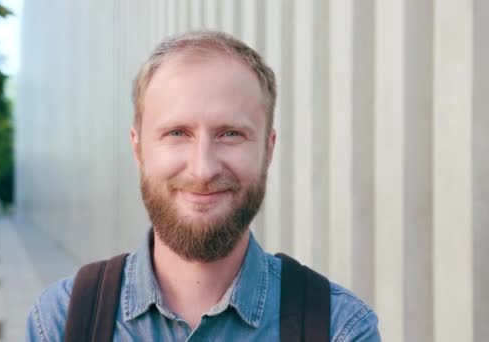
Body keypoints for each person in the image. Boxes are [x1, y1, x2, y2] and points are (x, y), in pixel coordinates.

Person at [26, 31, 380, 341]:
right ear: (138, 148)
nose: (203, 169)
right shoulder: (61, 322)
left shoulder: (340, 329)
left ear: (268, 149)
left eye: (230, 134)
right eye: (177, 133)